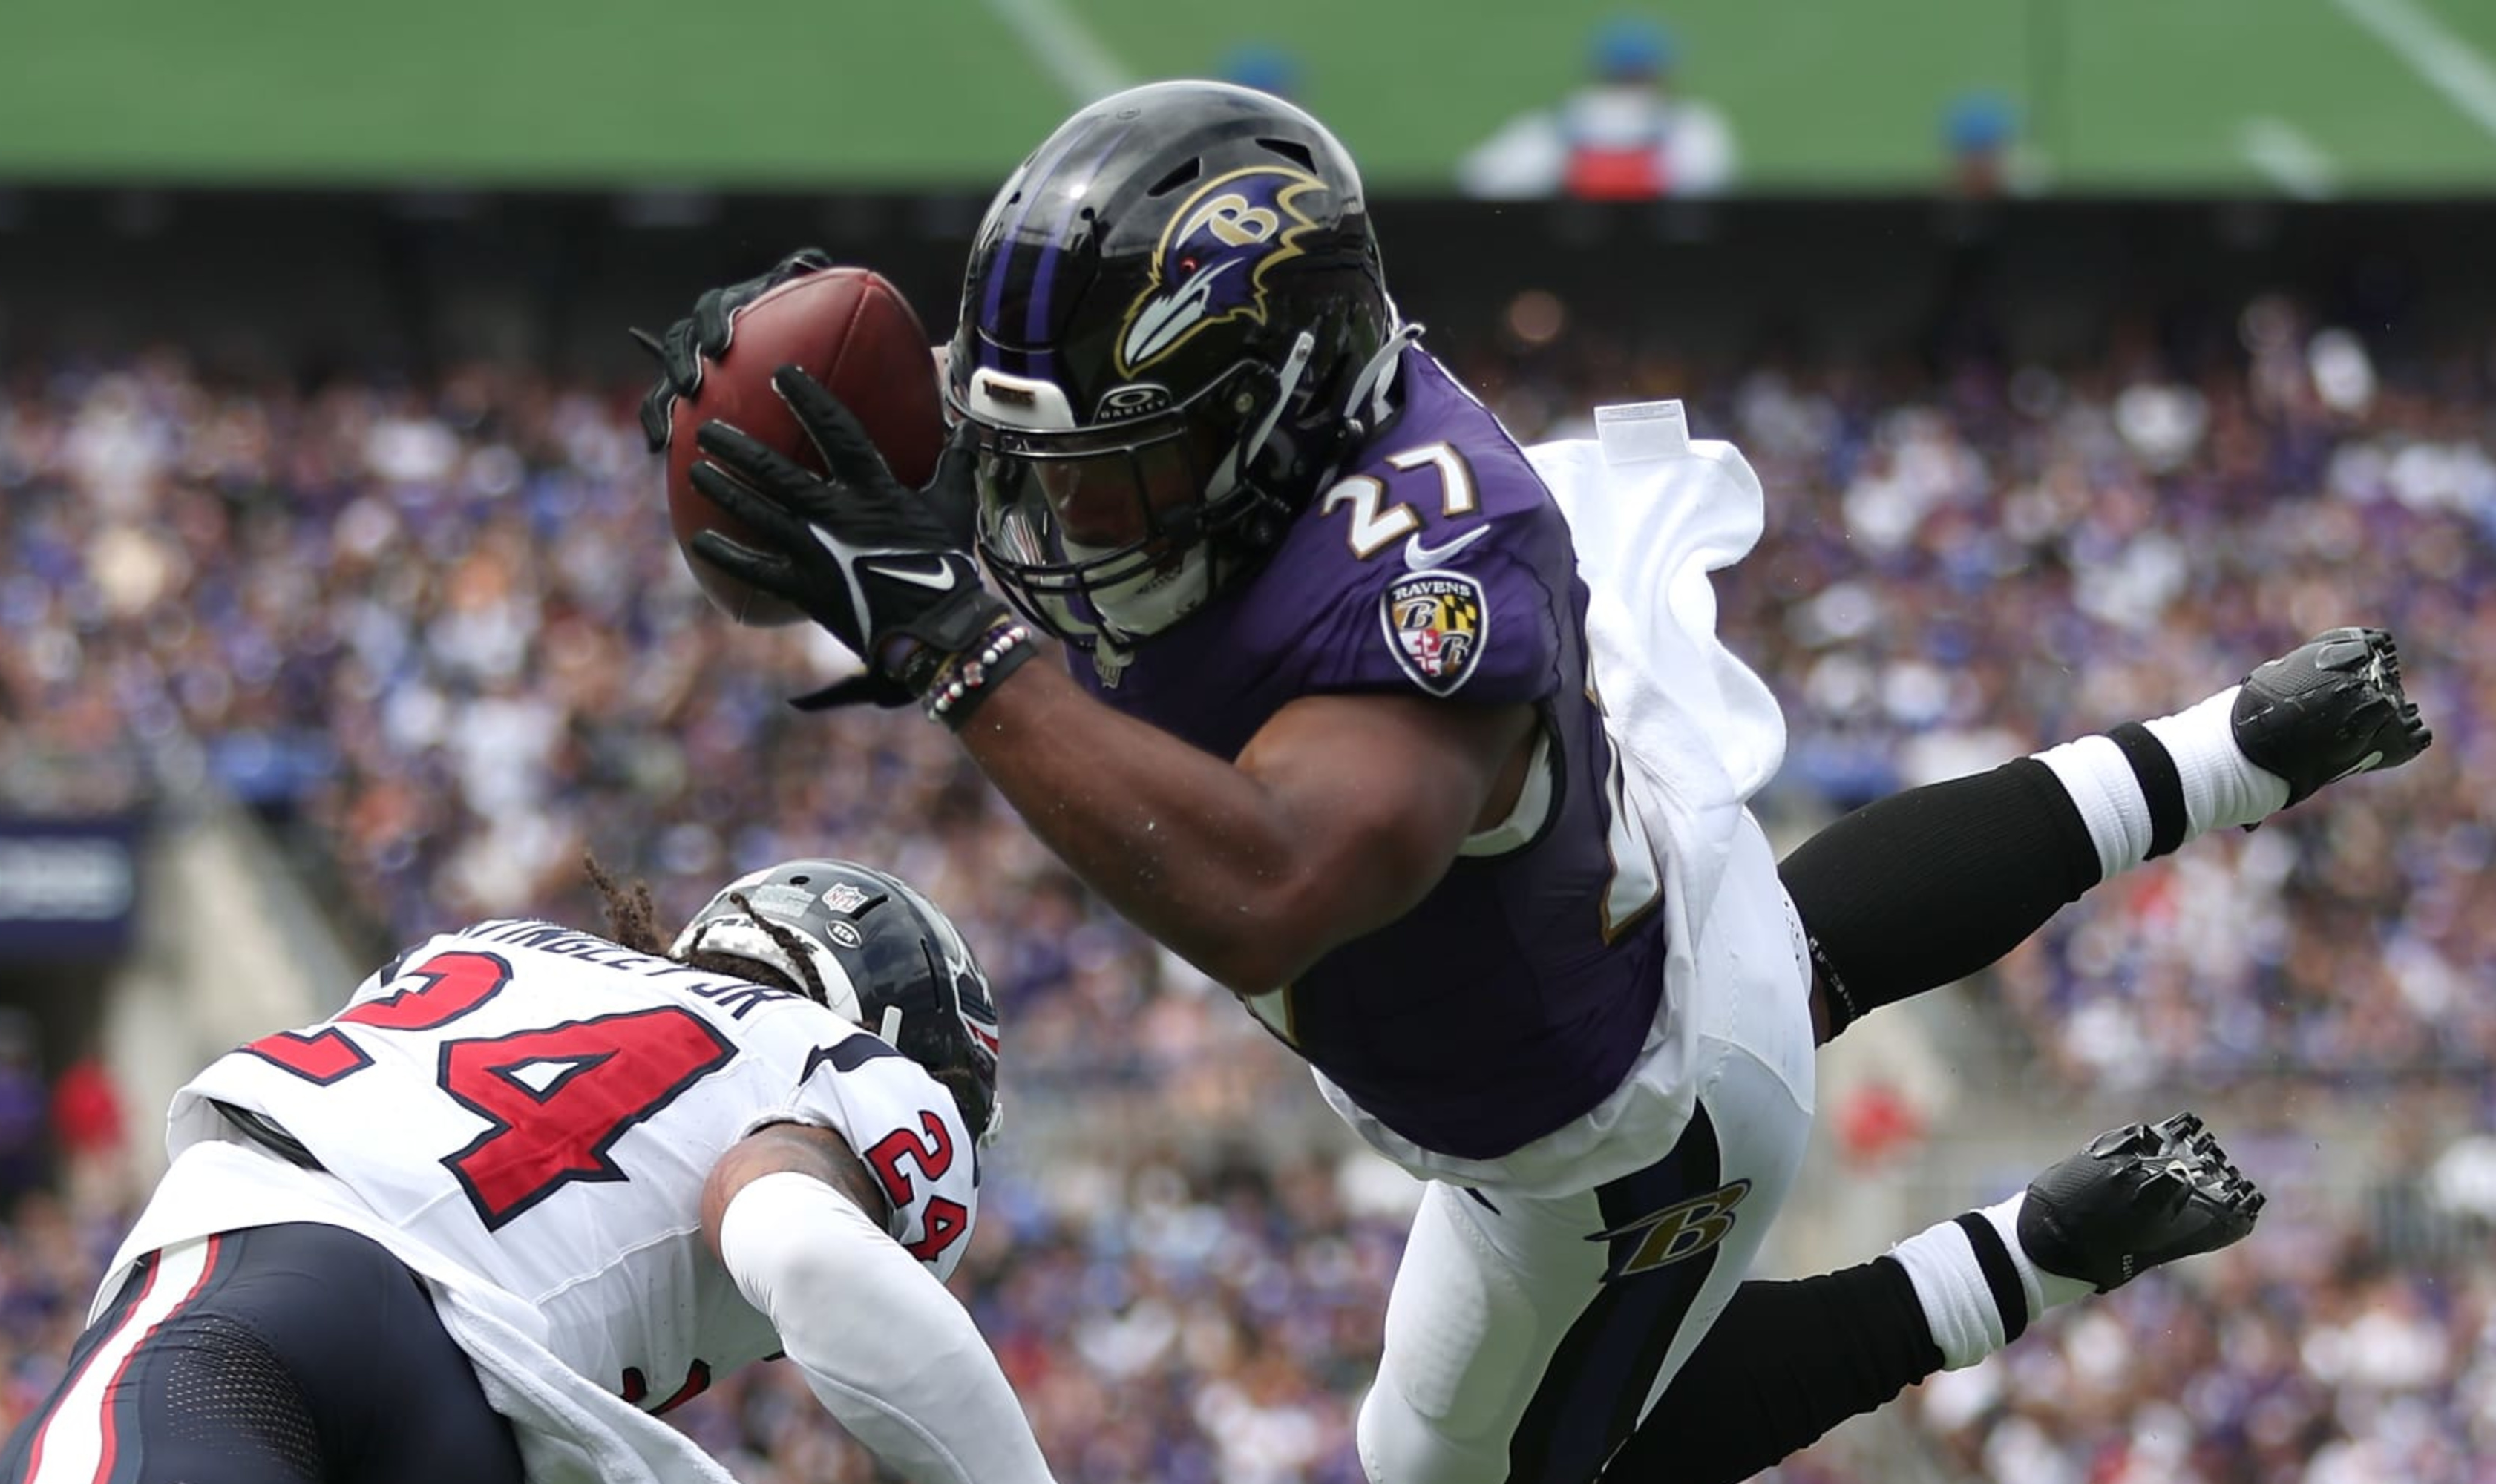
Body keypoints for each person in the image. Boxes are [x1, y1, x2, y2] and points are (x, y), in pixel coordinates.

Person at [643, 82, 2434, 1483]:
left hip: (1605, 1128)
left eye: (1102, 469)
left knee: (1463, 1469)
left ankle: (2033, 1252)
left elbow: (1268, 880)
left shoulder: (1416, 592)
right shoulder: (1235, 430)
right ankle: (2230, 747)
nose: (1046, 515)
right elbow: (877, 529)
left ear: (1257, 423)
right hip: (1636, 917)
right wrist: (766, 453)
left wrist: (958, 645)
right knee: (1788, 956)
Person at [0, 857, 1049, 1484]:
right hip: (494, 1435)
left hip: (281, 1313)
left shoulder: (492, 952)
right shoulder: (828, 1071)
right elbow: (802, 1244)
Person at [1456, 16, 1736, 200]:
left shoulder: (1553, 127)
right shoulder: (1693, 127)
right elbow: (1713, 194)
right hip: (1662, 271)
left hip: (1568, 270)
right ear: (1661, 72)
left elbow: (1478, 181)